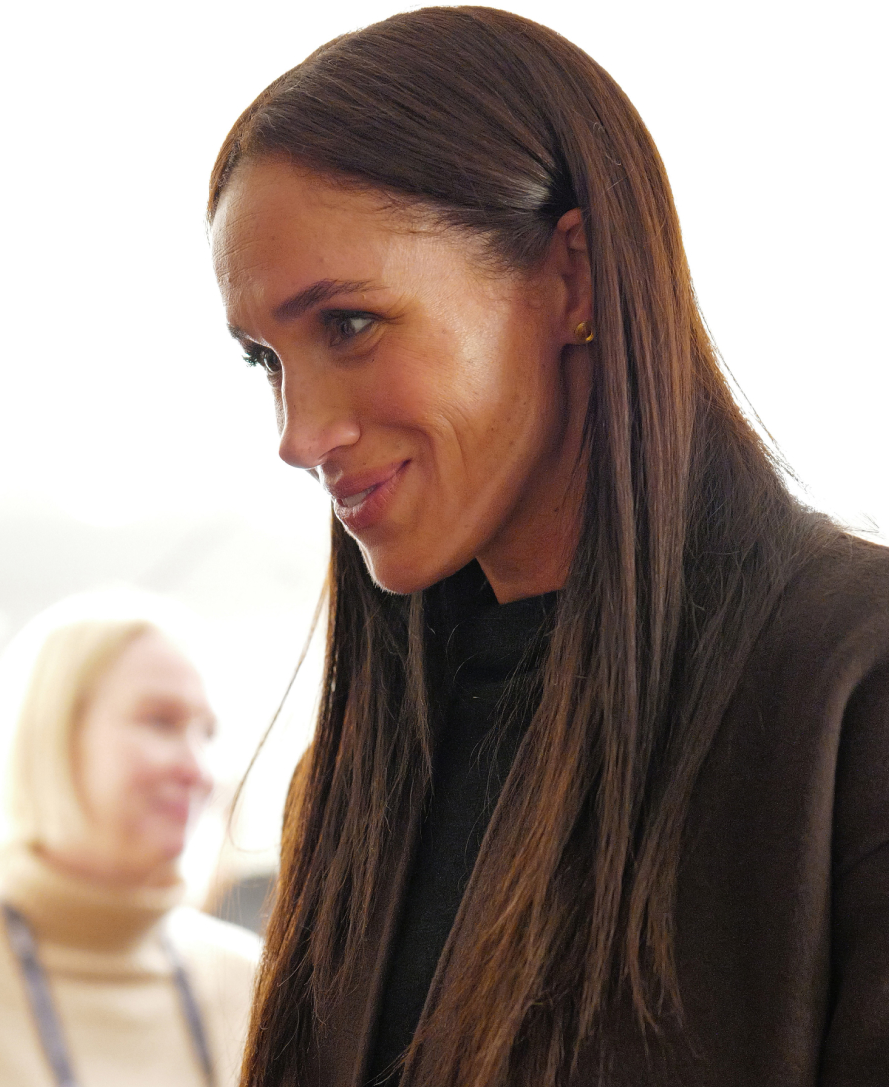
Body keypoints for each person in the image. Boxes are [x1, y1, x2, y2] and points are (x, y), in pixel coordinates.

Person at [207, 8, 889, 1086]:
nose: (298, 433)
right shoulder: (353, 770)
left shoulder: (850, 688)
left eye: (347, 325)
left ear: (570, 277)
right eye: (265, 360)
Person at [0, 599, 261, 1087]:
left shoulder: (250, 983)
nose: (199, 770)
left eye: (208, 734)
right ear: (53, 732)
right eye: (159, 722)